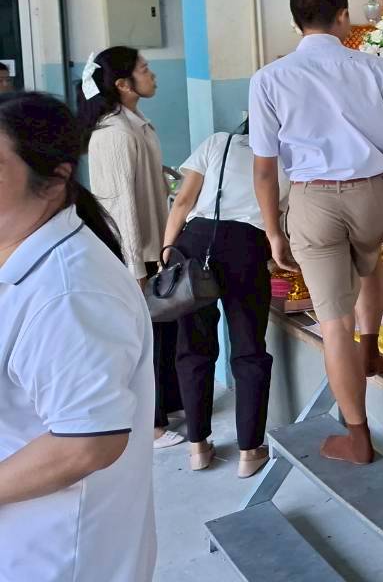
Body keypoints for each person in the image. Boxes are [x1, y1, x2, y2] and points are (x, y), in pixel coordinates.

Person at [250, 0, 383, 464]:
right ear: (343, 15)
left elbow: (263, 169)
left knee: (332, 323)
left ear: (295, 23)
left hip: (313, 202)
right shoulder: (375, 68)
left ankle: (357, 436)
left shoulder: (269, 78)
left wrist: (272, 231)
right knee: (369, 263)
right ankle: (369, 351)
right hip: (372, 195)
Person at [0, 92, 157, 582]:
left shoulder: (70, 293)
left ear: (54, 180)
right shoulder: (24, 256)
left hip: (56, 555)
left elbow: (87, 443)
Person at [162, 118, 288, 478]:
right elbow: (283, 216)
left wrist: (167, 249)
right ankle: (249, 451)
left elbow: (183, 200)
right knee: (249, 349)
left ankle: (198, 448)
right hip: (247, 247)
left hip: (195, 242)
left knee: (193, 348)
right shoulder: (288, 157)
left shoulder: (219, 142)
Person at [78, 46, 184, 448]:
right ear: (123, 84)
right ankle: (150, 426)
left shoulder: (135, 124)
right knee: (143, 340)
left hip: (152, 247)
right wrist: (135, 267)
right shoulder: (115, 133)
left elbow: (145, 180)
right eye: (144, 69)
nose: (152, 75)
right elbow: (120, 206)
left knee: (163, 331)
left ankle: (167, 404)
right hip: (136, 254)